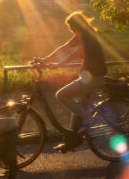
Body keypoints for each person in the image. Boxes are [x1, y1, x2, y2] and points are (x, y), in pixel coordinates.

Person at [37, 11, 107, 152]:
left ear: (77, 27)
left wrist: (57, 65)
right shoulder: (82, 35)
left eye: (71, 28)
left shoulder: (88, 39)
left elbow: (73, 54)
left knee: (61, 95)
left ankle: (87, 117)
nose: (71, 30)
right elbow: (63, 48)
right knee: (77, 107)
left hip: (93, 79)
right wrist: (45, 59)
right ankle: (72, 141)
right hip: (89, 77)